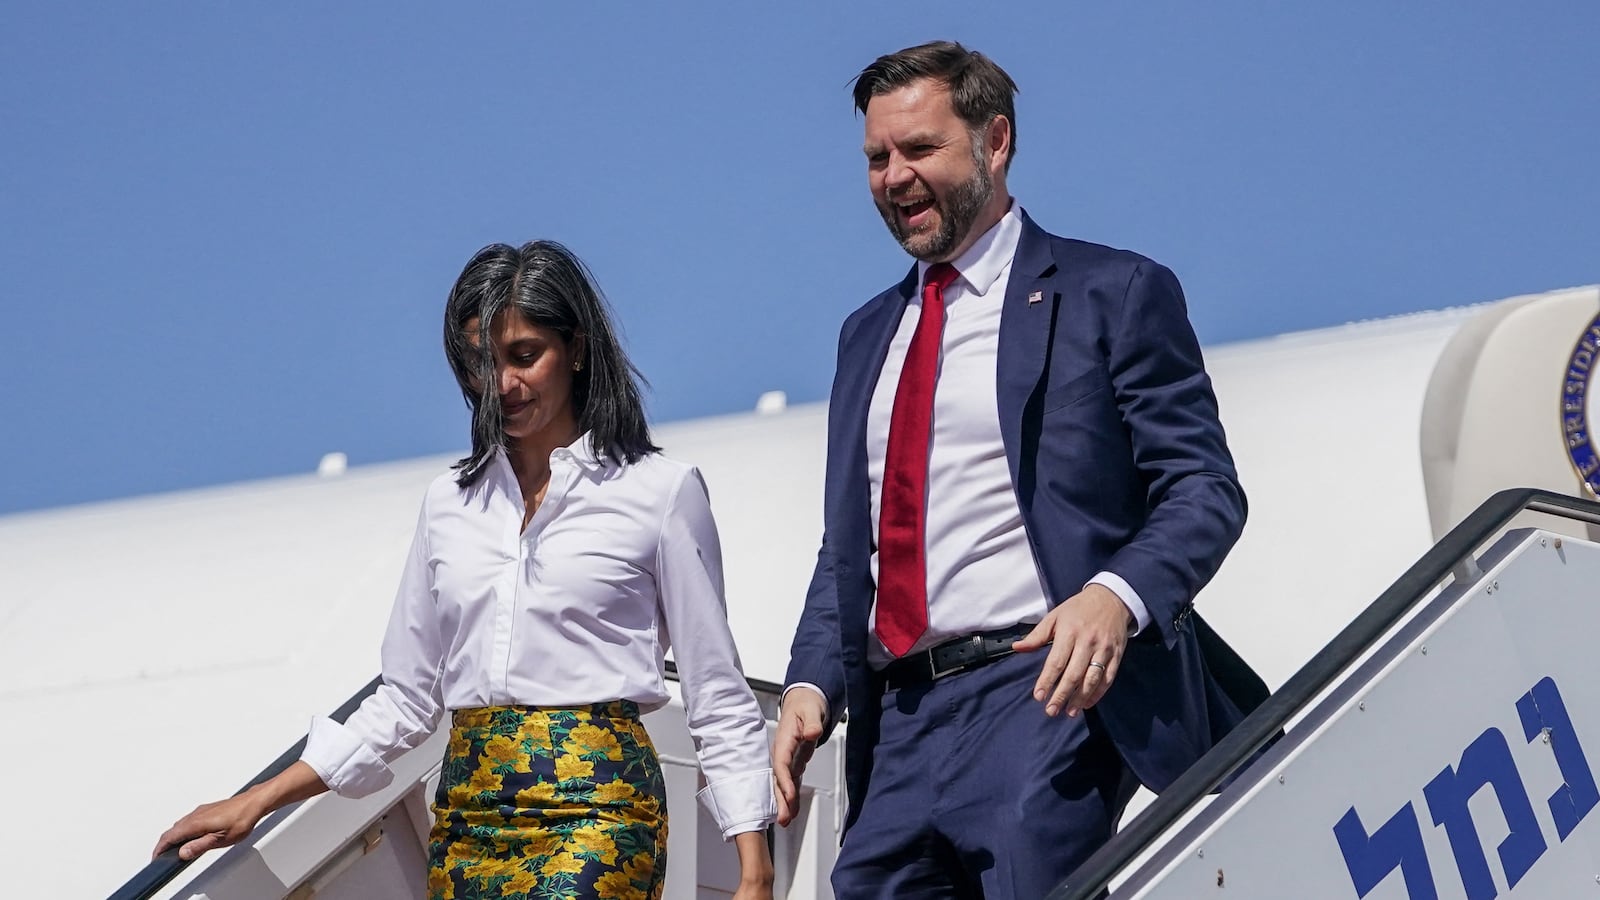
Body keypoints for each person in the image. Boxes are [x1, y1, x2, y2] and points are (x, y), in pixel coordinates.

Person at [772, 41, 1269, 899]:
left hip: (1042, 690)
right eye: (877, 158)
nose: (895, 177)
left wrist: (1115, 595)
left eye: (920, 149)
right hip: (898, 724)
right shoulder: (865, 336)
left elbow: (1203, 488)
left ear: (995, 142)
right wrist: (811, 676)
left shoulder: (1112, 291)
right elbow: (854, 541)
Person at [156, 241, 776, 900]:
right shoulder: (449, 504)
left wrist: (755, 873)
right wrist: (258, 801)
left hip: (599, 814)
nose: (502, 385)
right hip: (467, 820)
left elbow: (717, 694)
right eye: (482, 362)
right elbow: (406, 699)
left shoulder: (660, 492)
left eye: (524, 355)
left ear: (578, 348)